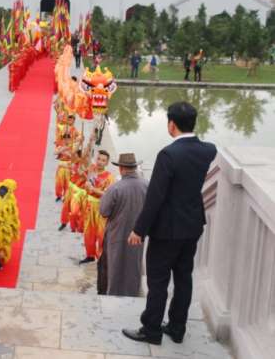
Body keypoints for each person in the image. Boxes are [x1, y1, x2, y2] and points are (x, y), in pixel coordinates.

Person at [122, 102, 217, 346]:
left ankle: (151, 329)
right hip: (192, 226)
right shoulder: (208, 150)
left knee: (158, 281)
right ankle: (177, 327)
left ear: (171, 125)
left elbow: (155, 198)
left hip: (166, 231)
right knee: (184, 278)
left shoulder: (168, 154)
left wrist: (138, 230)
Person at [98, 153, 147, 296]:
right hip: (138, 234)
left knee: (114, 265)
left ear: (120, 168)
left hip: (116, 234)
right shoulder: (147, 185)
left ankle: (112, 295)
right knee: (133, 265)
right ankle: (132, 293)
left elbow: (104, 211)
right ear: (135, 167)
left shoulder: (115, 188)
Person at [79, 149, 115, 264]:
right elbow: (82, 166)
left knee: (101, 234)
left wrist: (94, 189)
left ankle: (101, 258)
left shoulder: (109, 177)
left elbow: (108, 194)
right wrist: (86, 185)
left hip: (101, 206)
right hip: (89, 205)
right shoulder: (92, 169)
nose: (100, 162)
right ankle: (90, 255)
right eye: (99, 159)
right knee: (88, 231)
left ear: (107, 163)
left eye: (103, 160)